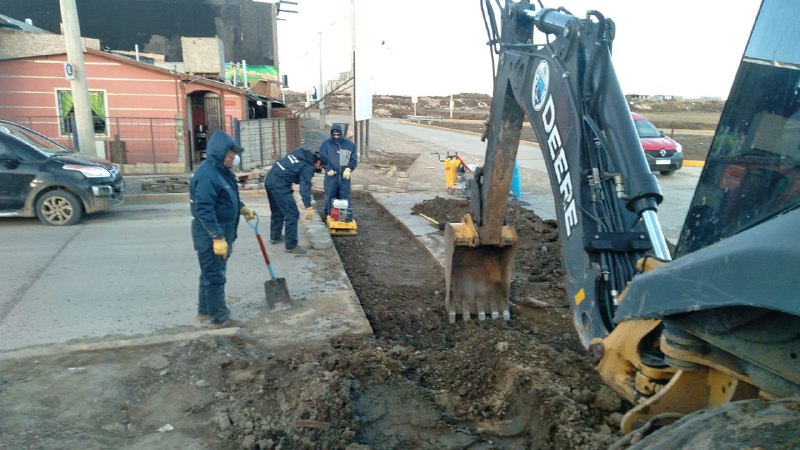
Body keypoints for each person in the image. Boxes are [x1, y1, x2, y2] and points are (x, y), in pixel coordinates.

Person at [189, 130, 256, 329]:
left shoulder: (221, 171)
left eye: (233, 155)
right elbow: (203, 208)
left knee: (208, 274)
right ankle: (219, 318)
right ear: (218, 154)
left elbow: (227, 196)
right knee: (215, 276)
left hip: (223, 232)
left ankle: (204, 310)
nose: (233, 158)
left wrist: (241, 207)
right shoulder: (208, 175)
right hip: (211, 235)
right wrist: (216, 237)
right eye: (229, 155)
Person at [265, 146, 323, 254]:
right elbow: (304, 190)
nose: (320, 168)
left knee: (277, 210)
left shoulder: (299, 153)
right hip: (280, 185)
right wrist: (308, 206)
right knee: (292, 213)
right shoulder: (308, 166)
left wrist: (305, 180)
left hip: (270, 178)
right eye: (321, 166)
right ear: (318, 162)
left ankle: (275, 236)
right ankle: (291, 245)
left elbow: (292, 170)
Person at [319, 124, 357, 217]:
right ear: (331, 133)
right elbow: (322, 158)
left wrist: (348, 169)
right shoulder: (325, 144)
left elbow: (353, 159)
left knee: (345, 197)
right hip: (331, 177)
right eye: (334, 134)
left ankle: (344, 216)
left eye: (338, 134)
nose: (336, 136)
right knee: (330, 196)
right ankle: (328, 215)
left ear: (341, 133)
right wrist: (328, 168)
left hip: (344, 177)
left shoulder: (349, 145)